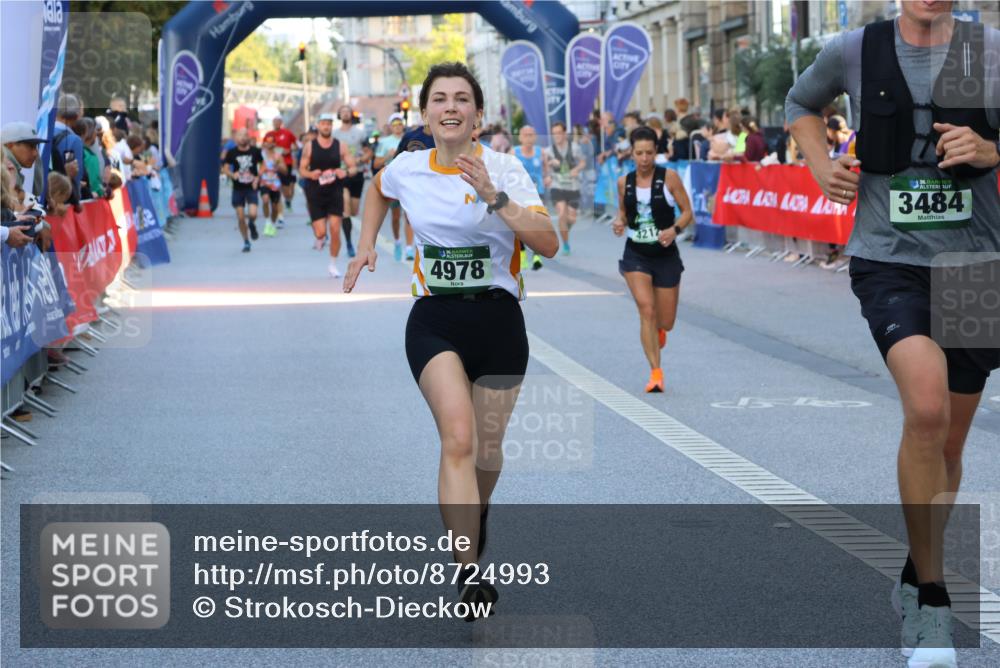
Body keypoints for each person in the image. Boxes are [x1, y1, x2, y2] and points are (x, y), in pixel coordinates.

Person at [786, 3, 1000, 666]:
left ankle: (918, 563)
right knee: (927, 408)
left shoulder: (987, 50)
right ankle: (933, 601)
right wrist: (820, 162)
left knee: (952, 439)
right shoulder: (856, 49)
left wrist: (993, 149)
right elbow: (801, 103)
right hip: (890, 260)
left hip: (976, 265)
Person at [343, 62, 557, 619]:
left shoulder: (506, 168)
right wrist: (366, 244)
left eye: (462, 98)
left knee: (486, 451)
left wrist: (495, 198)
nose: (451, 106)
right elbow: (375, 190)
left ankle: (476, 514)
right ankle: (468, 570)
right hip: (434, 319)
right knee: (458, 439)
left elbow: (549, 242)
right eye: (439, 98)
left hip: (500, 320)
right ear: (426, 114)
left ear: (478, 116)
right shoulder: (408, 167)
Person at [612, 126, 692, 393]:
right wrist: (619, 222)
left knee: (665, 321)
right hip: (636, 253)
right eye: (639, 153)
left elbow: (687, 212)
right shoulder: (624, 182)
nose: (644, 159)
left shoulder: (669, 178)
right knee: (646, 310)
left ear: (656, 152)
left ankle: (659, 332)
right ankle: (656, 373)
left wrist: (674, 230)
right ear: (631, 153)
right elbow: (623, 212)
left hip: (666, 254)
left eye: (649, 153)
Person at [299, 112, 359, 277]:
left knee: (334, 229)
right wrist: (311, 174)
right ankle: (319, 237)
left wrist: (344, 172)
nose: (326, 126)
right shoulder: (310, 146)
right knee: (321, 232)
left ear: (332, 126)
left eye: (329, 124)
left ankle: (333, 264)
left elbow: (353, 168)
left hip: (335, 192)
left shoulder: (340, 145)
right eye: (323, 123)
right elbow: (302, 169)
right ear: (318, 125)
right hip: (316, 193)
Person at [393, 122, 437, 260]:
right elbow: (397, 159)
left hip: (435, 186)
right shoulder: (411, 136)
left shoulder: (443, 137)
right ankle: (408, 247)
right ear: (425, 114)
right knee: (410, 217)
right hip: (412, 184)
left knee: (430, 219)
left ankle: (428, 246)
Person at [510, 124, 549, 270]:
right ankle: (522, 253)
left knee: (537, 224)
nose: (528, 137)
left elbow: (546, 170)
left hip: (538, 193)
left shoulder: (541, 152)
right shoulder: (514, 152)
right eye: (525, 134)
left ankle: (537, 255)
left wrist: (547, 178)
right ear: (520, 137)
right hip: (519, 194)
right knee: (520, 225)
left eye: (531, 134)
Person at [545, 121, 586, 255]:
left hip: (573, 186)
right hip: (557, 186)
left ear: (564, 134)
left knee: (572, 218)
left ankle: (564, 231)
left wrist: (577, 169)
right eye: (554, 133)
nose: (556, 136)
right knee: (562, 213)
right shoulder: (549, 150)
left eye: (559, 133)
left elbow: (583, 162)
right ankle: (566, 244)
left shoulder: (574, 148)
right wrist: (548, 175)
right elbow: (545, 168)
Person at [333, 105, 368, 258]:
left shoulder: (360, 132)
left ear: (351, 114)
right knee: (345, 209)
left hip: (357, 174)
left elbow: (369, 152)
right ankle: (348, 243)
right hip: (341, 175)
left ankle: (348, 237)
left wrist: (359, 160)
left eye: (348, 111)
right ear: (339, 115)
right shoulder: (334, 134)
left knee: (353, 211)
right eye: (343, 111)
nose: (345, 113)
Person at [374, 113, 410, 261]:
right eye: (394, 125)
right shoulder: (384, 142)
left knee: (410, 216)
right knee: (395, 217)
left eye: (399, 124)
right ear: (390, 127)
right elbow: (375, 164)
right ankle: (397, 242)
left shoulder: (409, 139)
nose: (397, 127)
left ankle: (409, 248)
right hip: (393, 183)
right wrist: (388, 156)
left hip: (408, 182)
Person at [221, 129, 263, 253]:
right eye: (240, 135)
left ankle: (252, 224)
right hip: (238, 188)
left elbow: (263, 165)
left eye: (245, 135)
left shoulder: (255, 151)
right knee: (240, 217)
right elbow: (225, 168)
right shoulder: (232, 152)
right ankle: (246, 241)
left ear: (248, 137)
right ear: (235, 138)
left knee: (253, 214)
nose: (242, 138)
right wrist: (231, 174)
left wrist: (257, 178)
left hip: (251, 187)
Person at [262, 116, 298, 216]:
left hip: (287, 163)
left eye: (278, 121)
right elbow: (263, 145)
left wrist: (289, 150)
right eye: (275, 121)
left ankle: (287, 200)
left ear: (281, 122)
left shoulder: (288, 133)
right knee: (276, 189)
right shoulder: (269, 134)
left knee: (288, 193)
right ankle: (279, 211)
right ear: (272, 123)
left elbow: (297, 145)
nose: (276, 123)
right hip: (273, 166)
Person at [259, 134, 287, 236]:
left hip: (275, 184)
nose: (269, 143)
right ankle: (267, 222)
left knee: (275, 207)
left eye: (271, 141)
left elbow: (285, 171)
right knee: (265, 199)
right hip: (264, 183)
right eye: (267, 141)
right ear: (264, 143)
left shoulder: (278, 156)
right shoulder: (260, 155)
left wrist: (278, 165)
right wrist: (261, 171)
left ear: (275, 143)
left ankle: (272, 224)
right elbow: (256, 169)